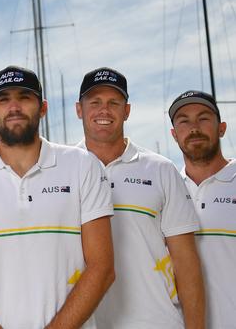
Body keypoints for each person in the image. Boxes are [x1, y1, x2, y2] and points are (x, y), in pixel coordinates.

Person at [0, 65, 114, 328]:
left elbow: (103, 267)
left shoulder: (82, 164)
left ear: (43, 108)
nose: (14, 107)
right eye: (4, 100)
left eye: (25, 97)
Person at [75, 68, 205, 328]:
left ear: (127, 111)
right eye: (95, 103)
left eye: (114, 103)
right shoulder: (62, 170)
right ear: (79, 109)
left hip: (155, 321)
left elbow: (187, 263)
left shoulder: (160, 169)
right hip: (85, 323)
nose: (104, 110)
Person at [170, 90, 234, 329]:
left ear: (222, 128)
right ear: (174, 135)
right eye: (184, 121)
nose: (194, 127)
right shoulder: (169, 189)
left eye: (204, 118)